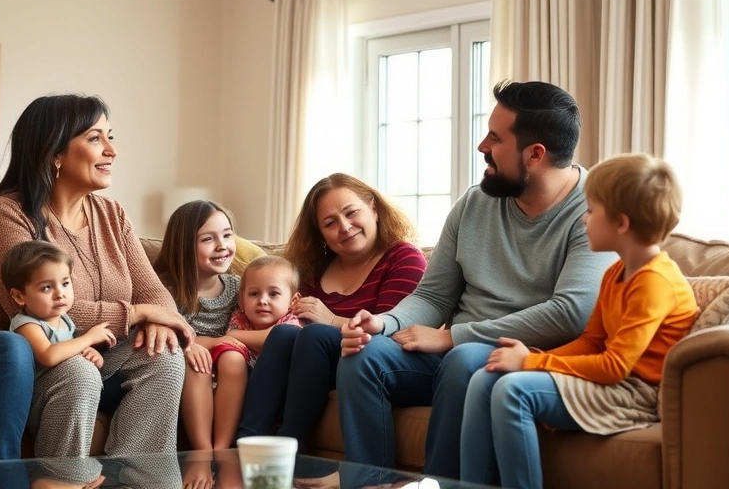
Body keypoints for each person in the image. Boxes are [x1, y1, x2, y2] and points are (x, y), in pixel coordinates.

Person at [337, 80, 618, 473]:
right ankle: (369, 485)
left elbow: (570, 312)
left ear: (535, 154)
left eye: (494, 138)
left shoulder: (594, 212)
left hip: (520, 355)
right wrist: (384, 322)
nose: (482, 146)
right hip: (455, 354)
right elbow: (434, 296)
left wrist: (453, 336)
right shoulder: (475, 202)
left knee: (464, 358)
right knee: (361, 356)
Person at [0, 94, 194, 460]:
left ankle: (139, 482)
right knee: (77, 372)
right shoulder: (7, 214)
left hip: (75, 352)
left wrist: (161, 323)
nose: (112, 150)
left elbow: (155, 294)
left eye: (110, 137)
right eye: (96, 138)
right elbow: (43, 313)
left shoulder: (112, 215)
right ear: (55, 153)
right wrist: (138, 314)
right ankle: (64, 481)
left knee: (164, 356)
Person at [459, 153, 698, 489]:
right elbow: (591, 341)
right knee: (488, 377)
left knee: (514, 391)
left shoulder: (654, 281)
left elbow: (615, 366)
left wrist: (531, 362)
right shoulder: (616, 271)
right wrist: (530, 357)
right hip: (612, 382)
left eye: (590, 211)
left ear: (621, 223)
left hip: (635, 393)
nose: (583, 220)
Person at [236, 173, 427, 451]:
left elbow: (392, 332)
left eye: (352, 213)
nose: (345, 227)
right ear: (321, 234)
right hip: (315, 365)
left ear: (373, 208)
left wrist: (332, 320)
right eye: (330, 223)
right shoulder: (316, 269)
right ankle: (242, 445)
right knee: (283, 335)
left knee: (315, 335)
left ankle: (291, 447)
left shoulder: (403, 258)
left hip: (376, 364)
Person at [153, 199, 244, 451]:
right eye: (208, 239)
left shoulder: (239, 287)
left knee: (232, 359)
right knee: (198, 362)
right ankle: (203, 452)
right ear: (183, 246)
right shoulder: (165, 290)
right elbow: (172, 338)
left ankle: (221, 450)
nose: (222, 246)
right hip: (190, 367)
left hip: (230, 368)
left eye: (227, 235)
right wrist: (213, 342)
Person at [1, 240, 116, 371]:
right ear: (19, 296)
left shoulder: (64, 320)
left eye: (65, 284)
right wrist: (88, 338)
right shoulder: (26, 324)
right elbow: (48, 355)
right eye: (46, 288)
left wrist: (88, 352)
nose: (60, 294)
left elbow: (70, 348)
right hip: (42, 386)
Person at [223, 255, 303, 366]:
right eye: (254, 294)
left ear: (293, 301)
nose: (262, 301)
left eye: (273, 294)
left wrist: (233, 335)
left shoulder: (292, 320)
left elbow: (275, 337)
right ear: (241, 300)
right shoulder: (240, 318)